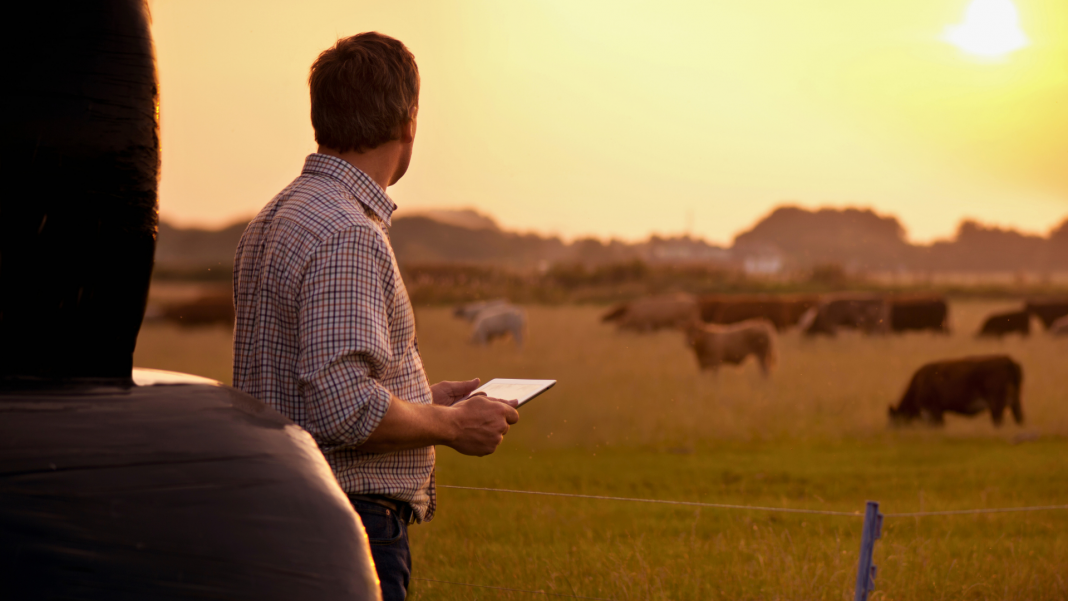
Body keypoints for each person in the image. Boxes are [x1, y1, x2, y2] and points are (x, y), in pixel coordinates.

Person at [231, 32, 520, 601]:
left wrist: (423, 399)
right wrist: (454, 425)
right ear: (409, 121)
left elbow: (310, 385)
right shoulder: (347, 233)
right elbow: (343, 409)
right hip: (347, 523)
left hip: (280, 513)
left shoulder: (275, 217)